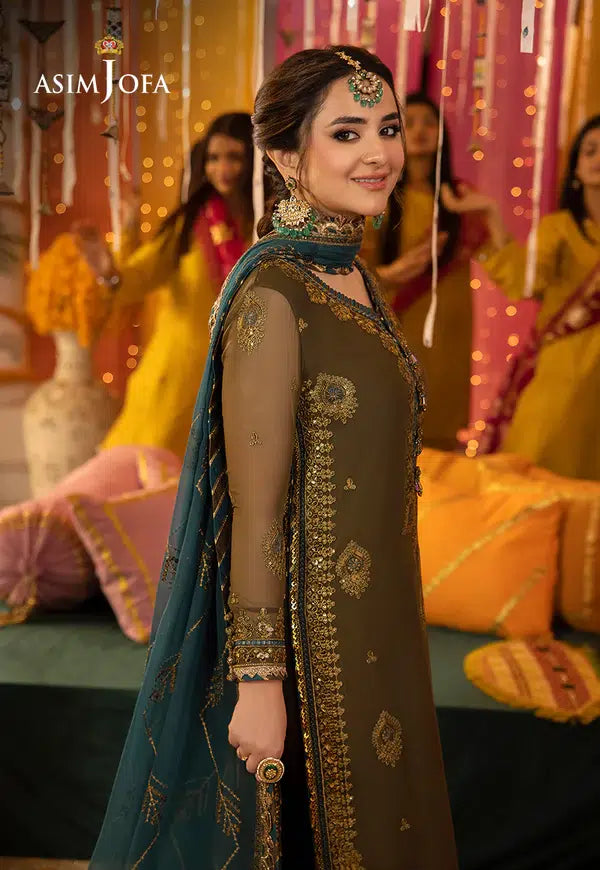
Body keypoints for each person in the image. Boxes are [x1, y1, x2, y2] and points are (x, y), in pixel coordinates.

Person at [88, 47, 458, 869]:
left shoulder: (353, 278)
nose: (379, 153)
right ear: (287, 156)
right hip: (308, 652)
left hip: (381, 625)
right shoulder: (273, 294)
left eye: (388, 129)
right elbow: (255, 511)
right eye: (347, 133)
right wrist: (260, 685)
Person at [78, 112, 255, 458]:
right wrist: (108, 272)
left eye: (234, 157)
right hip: (176, 379)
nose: (223, 169)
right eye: (213, 158)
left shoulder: (266, 224)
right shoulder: (190, 226)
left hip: (239, 382)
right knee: (149, 475)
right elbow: (140, 275)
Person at [444, 115, 600, 480]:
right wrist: (492, 215)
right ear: (576, 168)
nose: (599, 159)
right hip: (566, 368)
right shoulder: (560, 228)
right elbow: (523, 282)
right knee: (545, 469)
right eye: (591, 151)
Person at [362, 94, 504, 451]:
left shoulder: (460, 199)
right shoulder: (379, 195)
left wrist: (489, 211)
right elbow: (357, 268)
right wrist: (392, 273)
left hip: (449, 335)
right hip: (398, 323)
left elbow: (506, 269)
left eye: (429, 122)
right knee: (392, 432)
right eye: (409, 123)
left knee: (440, 438)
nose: (420, 130)